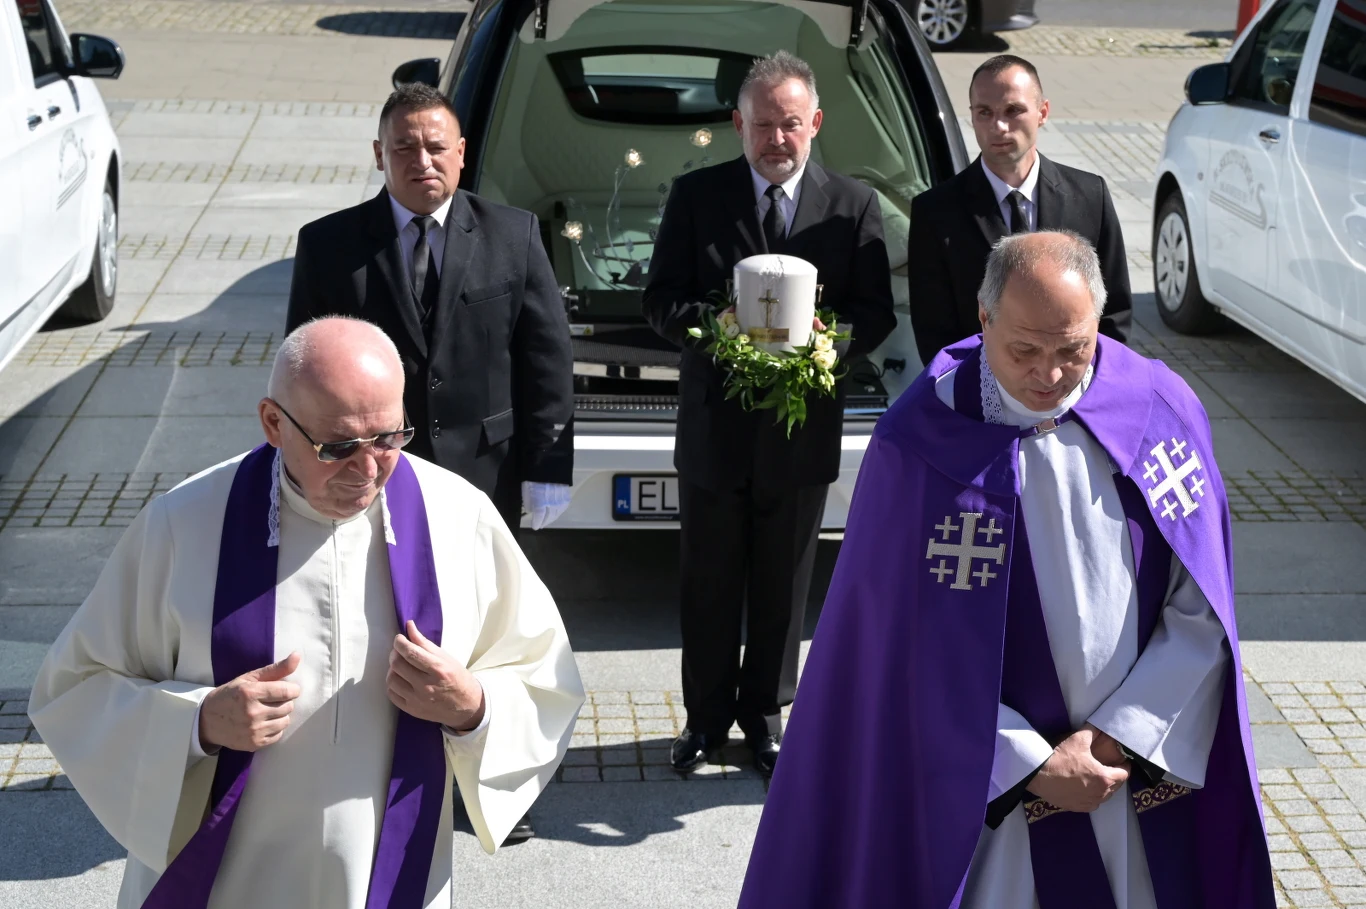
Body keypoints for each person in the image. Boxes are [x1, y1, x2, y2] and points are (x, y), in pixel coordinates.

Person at [738, 232, 1274, 908]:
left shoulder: (1157, 410)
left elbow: (1201, 599)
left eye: (1073, 349)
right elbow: (891, 647)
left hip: (1131, 778)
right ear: (984, 317)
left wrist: (1124, 735)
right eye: (1024, 350)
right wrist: (1027, 762)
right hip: (985, 803)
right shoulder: (919, 445)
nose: (1050, 374)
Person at [29, 317, 585, 909]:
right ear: (274, 422)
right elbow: (75, 689)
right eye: (338, 447)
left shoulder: (458, 517)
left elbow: (545, 679)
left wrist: (473, 706)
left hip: (385, 877)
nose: (367, 470)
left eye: (388, 438)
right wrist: (199, 722)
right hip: (228, 886)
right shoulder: (184, 525)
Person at [643, 50, 896, 777]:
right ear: (738, 124)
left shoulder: (853, 205)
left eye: (790, 124)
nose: (776, 139)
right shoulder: (697, 196)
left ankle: (766, 715)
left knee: (783, 584)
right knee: (708, 582)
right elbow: (660, 300)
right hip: (715, 432)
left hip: (800, 433)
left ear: (815, 122)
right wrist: (718, 332)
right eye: (762, 125)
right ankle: (703, 719)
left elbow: (875, 311)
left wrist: (824, 345)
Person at [287, 82, 575, 540]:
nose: (422, 162)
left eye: (437, 148)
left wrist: (549, 466)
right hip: (369, 475)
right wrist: (303, 468)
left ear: (460, 152)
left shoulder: (513, 235)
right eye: (404, 148)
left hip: (486, 472)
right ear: (379, 154)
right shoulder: (327, 246)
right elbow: (302, 371)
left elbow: (546, 359)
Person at [907, 55, 1132, 364]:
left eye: (1013, 110)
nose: (999, 126)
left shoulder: (1090, 196)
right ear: (971, 116)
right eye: (985, 112)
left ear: (1043, 112)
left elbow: (1114, 313)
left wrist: (1090, 381)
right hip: (978, 387)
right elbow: (934, 330)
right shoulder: (935, 211)